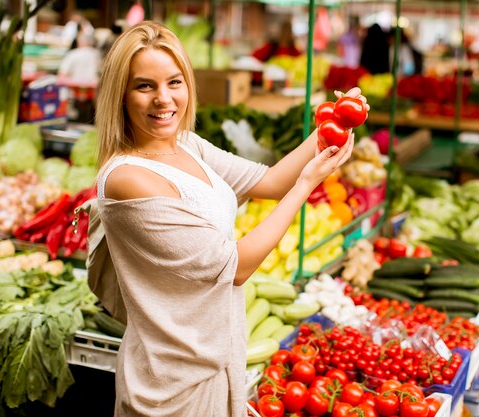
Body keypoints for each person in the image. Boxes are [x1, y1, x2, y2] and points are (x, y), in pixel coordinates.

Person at [87, 21, 366, 417]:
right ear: (120, 95)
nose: (163, 99)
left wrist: (332, 125)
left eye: (174, 82)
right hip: (173, 386)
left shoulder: (184, 144)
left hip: (216, 360)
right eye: (144, 86)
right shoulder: (129, 179)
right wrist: (307, 184)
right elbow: (234, 266)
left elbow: (267, 181)